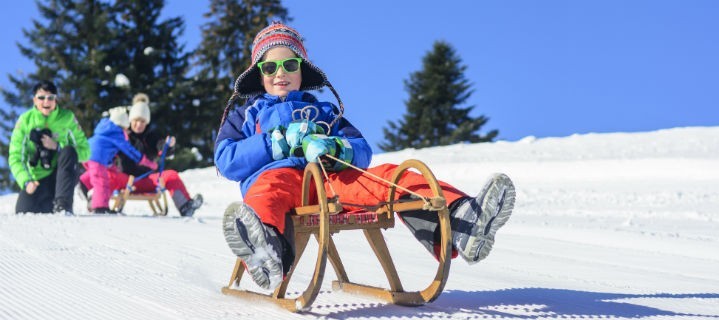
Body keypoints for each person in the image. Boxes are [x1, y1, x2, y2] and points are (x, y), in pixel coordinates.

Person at [215, 22, 516, 291]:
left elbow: (361, 149)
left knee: (387, 177)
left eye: (290, 65)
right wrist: (274, 144)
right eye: (270, 68)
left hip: (329, 180)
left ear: (301, 70)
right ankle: (266, 251)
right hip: (279, 178)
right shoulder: (246, 114)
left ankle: (463, 220)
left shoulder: (324, 111)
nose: (280, 73)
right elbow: (226, 159)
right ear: (259, 74)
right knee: (266, 194)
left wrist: (334, 148)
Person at [79, 93, 203, 216]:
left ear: (147, 122)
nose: (139, 124)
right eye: (136, 120)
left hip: (146, 179)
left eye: (143, 121)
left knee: (171, 175)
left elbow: (161, 147)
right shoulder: (121, 136)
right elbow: (101, 163)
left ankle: (185, 206)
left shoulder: (151, 137)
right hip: (124, 180)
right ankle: (96, 202)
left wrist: (168, 146)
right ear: (130, 120)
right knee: (107, 175)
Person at [8, 80, 90, 215]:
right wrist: (26, 181)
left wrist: (58, 147)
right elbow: (15, 157)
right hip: (36, 180)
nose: (46, 101)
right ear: (34, 100)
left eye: (50, 97)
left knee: (69, 151)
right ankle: (47, 203)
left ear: (55, 100)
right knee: (23, 213)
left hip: (60, 178)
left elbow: (85, 152)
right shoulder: (25, 120)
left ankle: (63, 207)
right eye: (41, 97)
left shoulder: (67, 118)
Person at [84, 106, 158, 214]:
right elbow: (131, 152)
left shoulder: (106, 129)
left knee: (99, 175)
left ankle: (83, 182)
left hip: (87, 154)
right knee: (102, 182)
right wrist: (149, 163)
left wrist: (111, 165)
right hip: (97, 158)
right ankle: (100, 207)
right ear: (122, 126)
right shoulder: (117, 134)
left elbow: (107, 151)